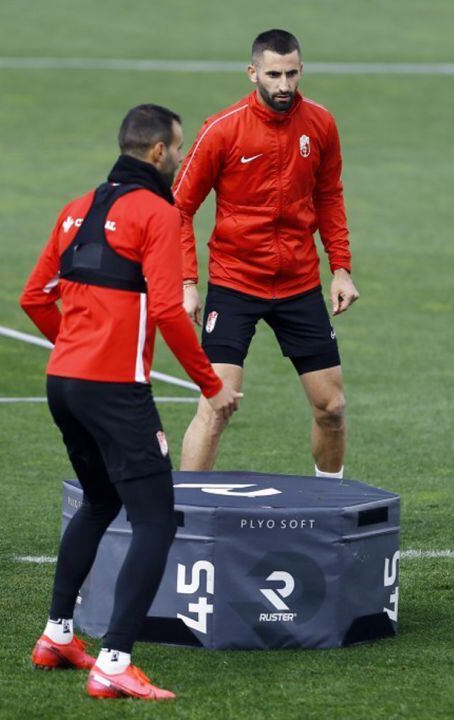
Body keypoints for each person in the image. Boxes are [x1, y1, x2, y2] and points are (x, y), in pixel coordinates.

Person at [20, 104, 240, 701]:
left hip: (62, 384)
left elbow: (33, 298)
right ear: (159, 153)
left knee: (98, 501)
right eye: (180, 148)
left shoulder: (75, 209)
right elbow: (169, 310)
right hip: (115, 391)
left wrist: (73, 346)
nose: (183, 157)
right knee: (154, 520)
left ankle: (57, 635)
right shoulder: (158, 213)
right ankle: (114, 661)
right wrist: (211, 386)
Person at [174, 29, 359, 476]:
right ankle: (181, 520)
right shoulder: (221, 129)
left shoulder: (321, 124)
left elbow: (329, 197)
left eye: (291, 73)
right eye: (273, 74)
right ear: (253, 71)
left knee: (332, 407)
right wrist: (187, 283)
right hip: (235, 284)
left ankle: (327, 502)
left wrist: (341, 269)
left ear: (302, 70)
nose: (283, 85)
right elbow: (178, 208)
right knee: (217, 408)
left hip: (298, 285)